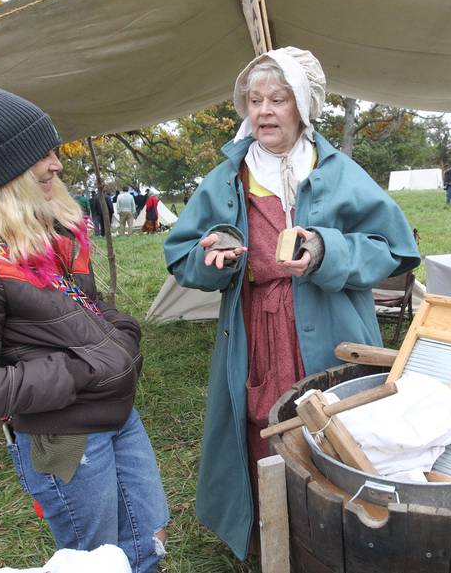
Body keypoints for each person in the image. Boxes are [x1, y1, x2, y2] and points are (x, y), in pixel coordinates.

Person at [163, 47, 420, 560]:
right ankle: (272, 536)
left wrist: (328, 249)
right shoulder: (227, 179)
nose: (263, 111)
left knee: (339, 427)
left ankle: (340, 537)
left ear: (302, 106)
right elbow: (181, 256)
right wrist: (215, 256)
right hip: (258, 328)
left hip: (333, 324)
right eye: (254, 100)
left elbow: (395, 252)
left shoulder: (339, 171)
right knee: (262, 424)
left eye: (277, 99)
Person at [0, 86, 169, 572]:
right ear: (6, 170)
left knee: (148, 540)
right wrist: (87, 368)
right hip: (66, 441)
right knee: (93, 561)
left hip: (118, 416)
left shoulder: (50, 234)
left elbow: (94, 309)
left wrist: (121, 341)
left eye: (54, 149)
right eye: (40, 155)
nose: (56, 164)